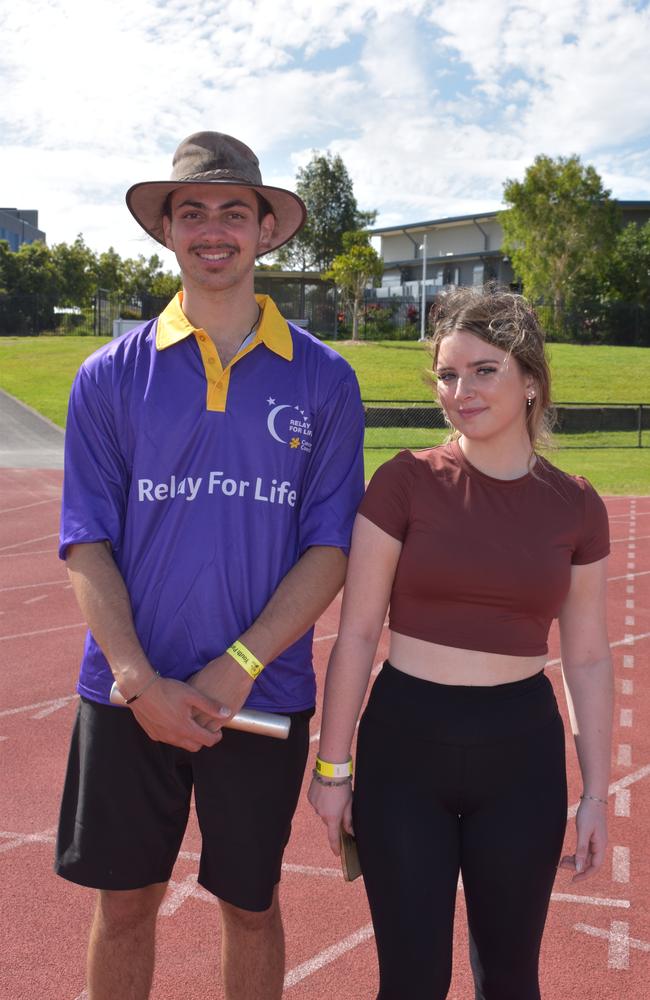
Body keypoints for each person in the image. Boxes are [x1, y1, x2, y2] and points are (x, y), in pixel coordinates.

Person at [55, 131, 365, 1000]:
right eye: (192, 212)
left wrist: (236, 667)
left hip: (259, 698)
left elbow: (330, 547)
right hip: (127, 694)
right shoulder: (109, 376)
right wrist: (137, 679)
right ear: (167, 232)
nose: (214, 229)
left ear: (268, 230)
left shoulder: (325, 379)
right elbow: (86, 540)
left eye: (236, 211)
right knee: (123, 908)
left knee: (252, 906)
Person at [308, 284, 613, 1000]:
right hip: (404, 748)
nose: (461, 389)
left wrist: (597, 793)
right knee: (412, 982)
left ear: (530, 380)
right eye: (448, 373)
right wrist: (332, 771)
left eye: (484, 370)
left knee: (510, 982)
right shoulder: (403, 483)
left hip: (521, 755)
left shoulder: (576, 504)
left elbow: (590, 657)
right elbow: (355, 636)